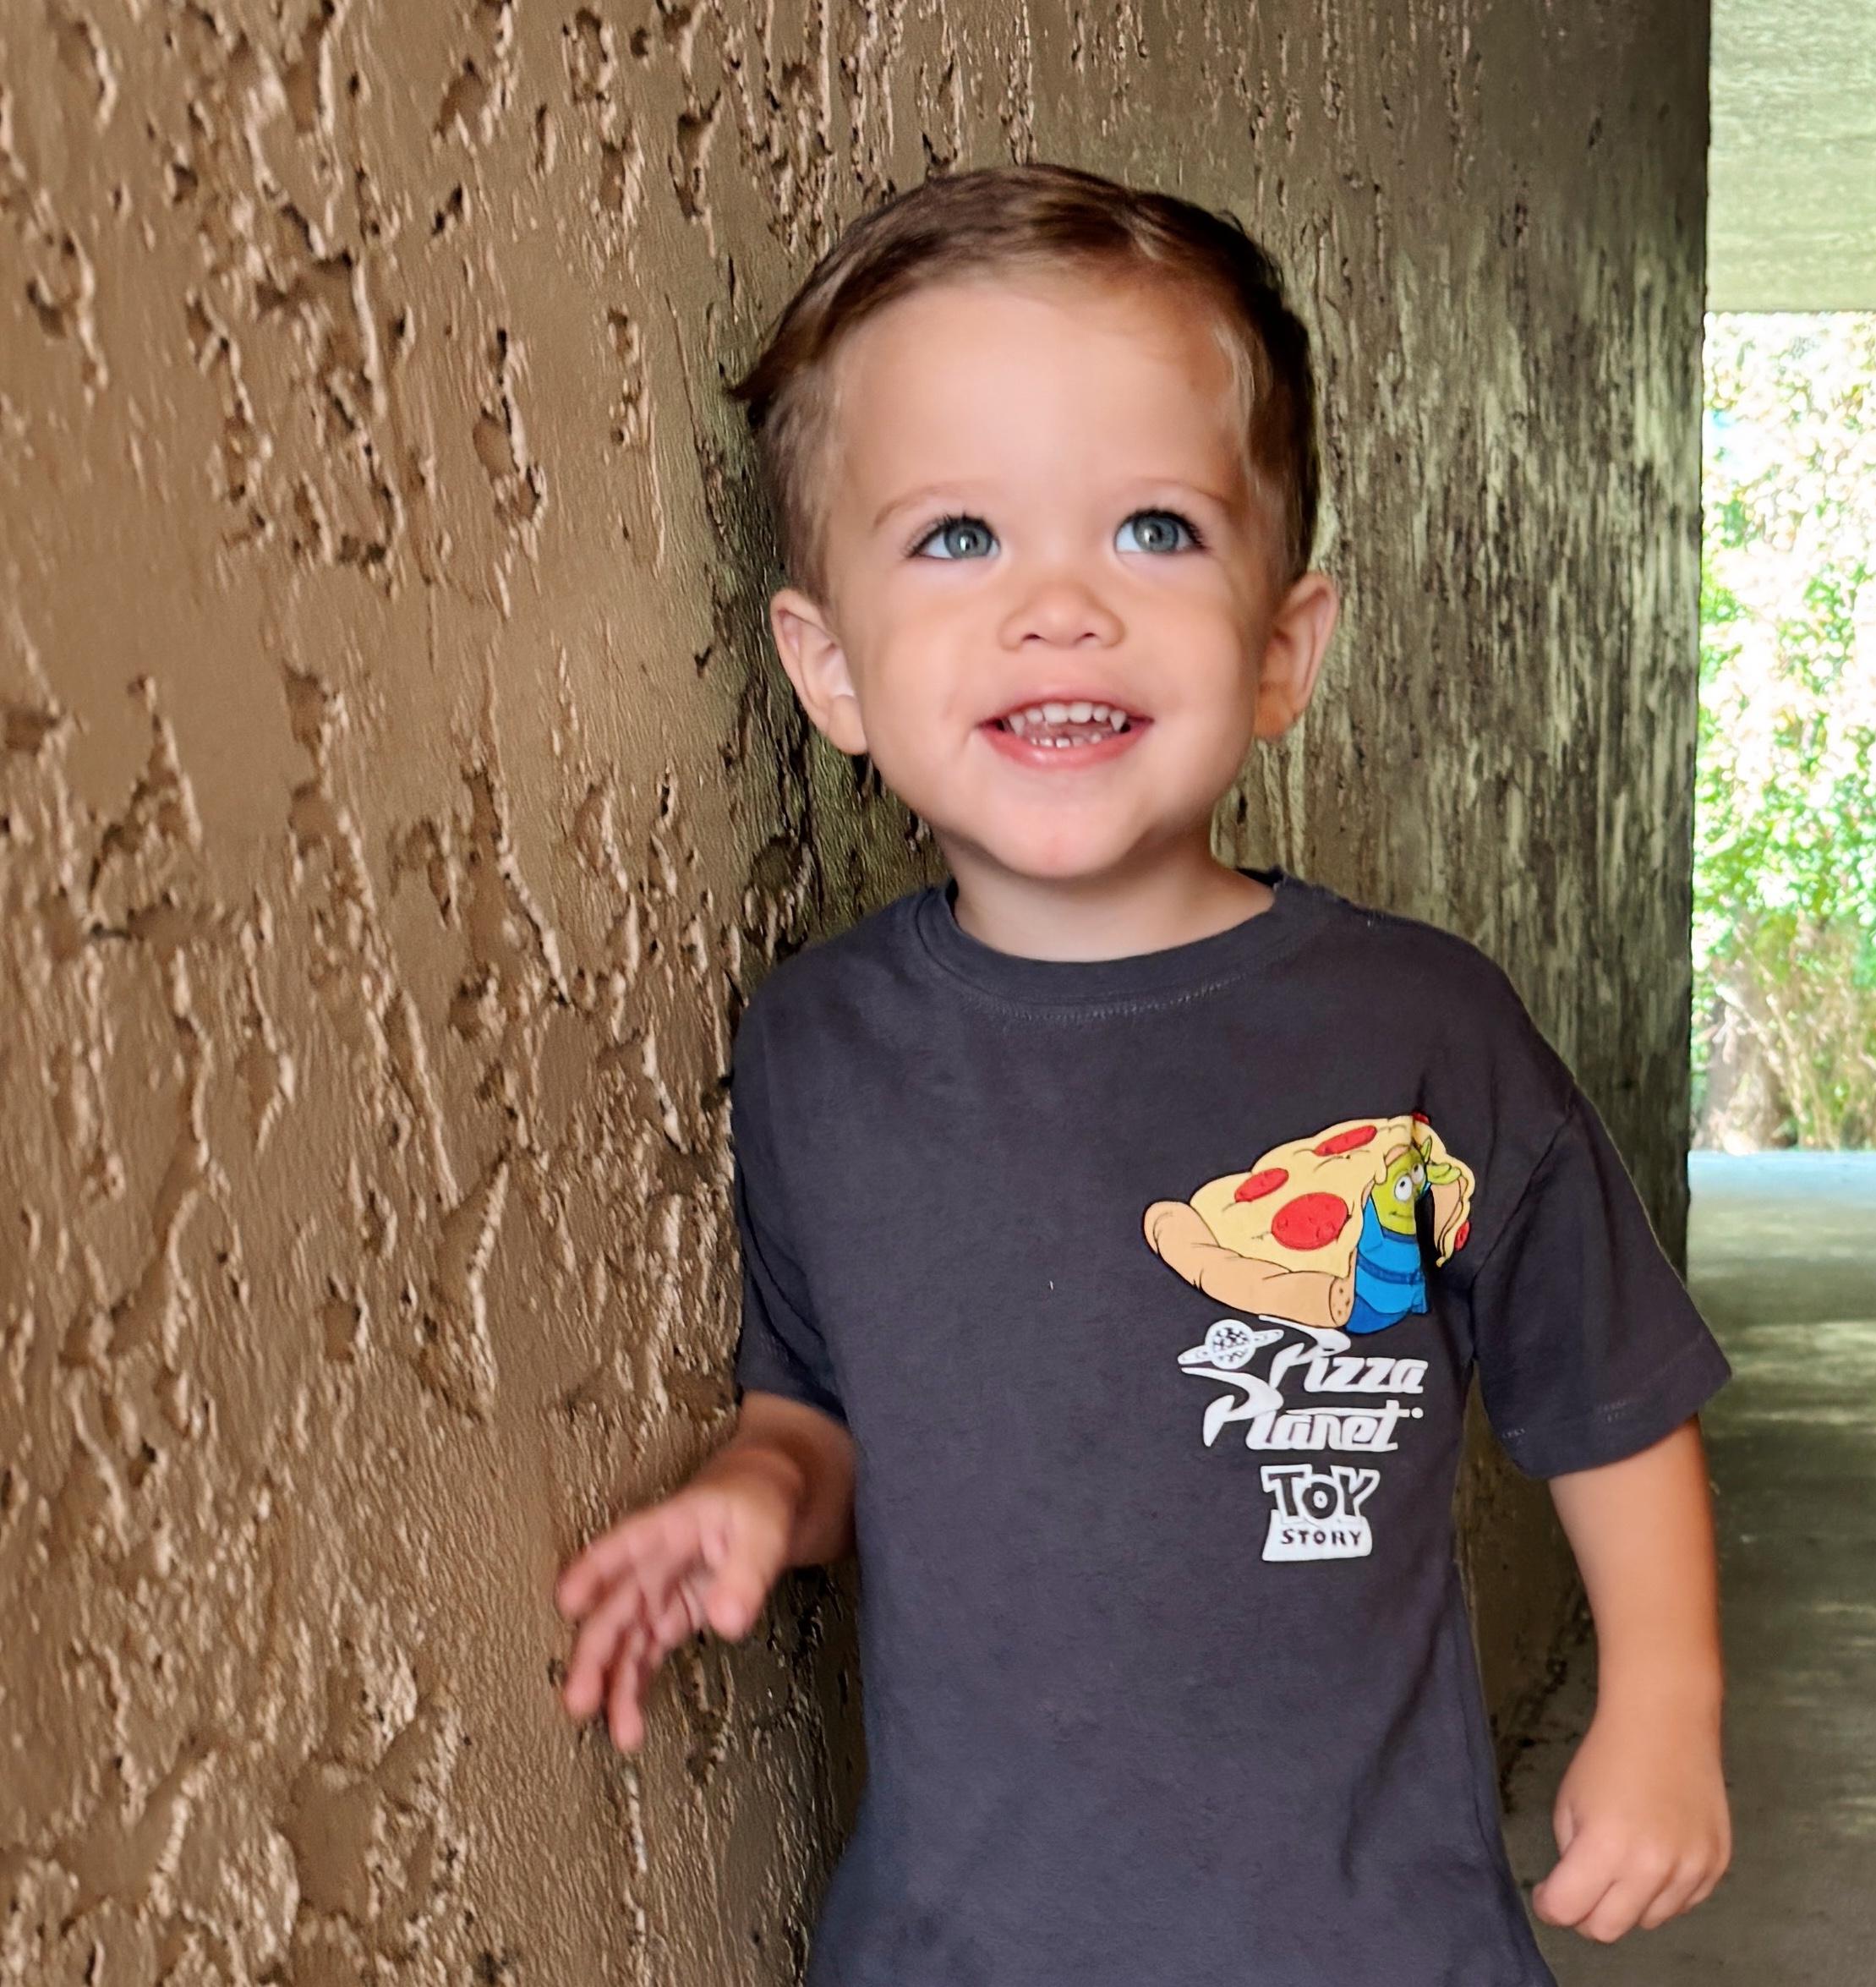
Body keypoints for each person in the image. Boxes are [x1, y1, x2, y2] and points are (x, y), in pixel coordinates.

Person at [555, 160, 1733, 1984]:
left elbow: (1608, 1389)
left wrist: (1663, 1701)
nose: (1059, 607)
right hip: (961, 1942)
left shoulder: (1420, 1032)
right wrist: (758, 1490)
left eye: (1155, 530)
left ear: (1280, 649)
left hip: (1367, 1941)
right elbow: (823, 1407)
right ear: (828, 666)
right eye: (958, 536)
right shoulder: (814, 1052)